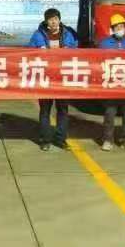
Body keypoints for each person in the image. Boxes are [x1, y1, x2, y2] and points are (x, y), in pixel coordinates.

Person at [29, 8, 78, 151]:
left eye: (56, 18)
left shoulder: (68, 33)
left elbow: (77, 49)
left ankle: (61, 139)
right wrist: (38, 50)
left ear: (59, 19)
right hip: (45, 78)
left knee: (63, 110)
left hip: (62, 78)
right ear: (46, 21)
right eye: (50, 19)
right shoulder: (38, 34)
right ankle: (45, 139)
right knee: (45, 110)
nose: (53, 22)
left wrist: (69, 50)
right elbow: (28, 51)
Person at [98, 14, 125, 152]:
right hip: (112, 84)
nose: (119, 29)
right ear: (112, 29)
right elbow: (99, 62)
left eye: (121, 26)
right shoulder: (104, 44)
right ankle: (107, 140)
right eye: (116, 27)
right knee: (109, 114)